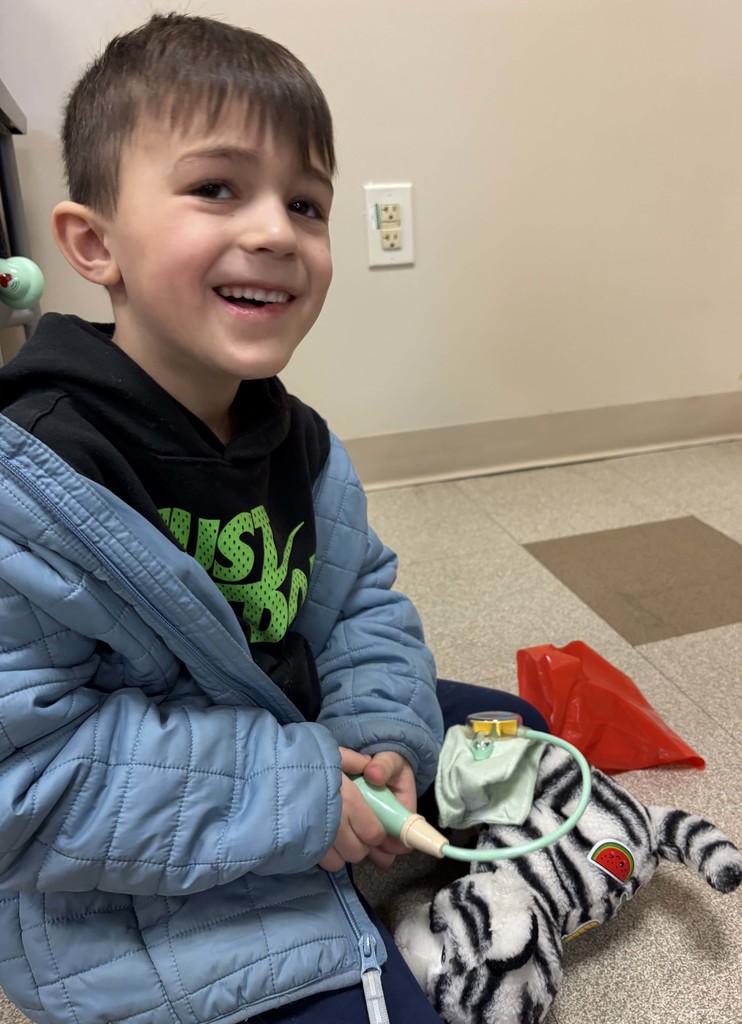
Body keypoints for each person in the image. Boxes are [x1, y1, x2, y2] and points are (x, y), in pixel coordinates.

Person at [0, 13, 547, 1024]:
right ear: (92, 244)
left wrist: (380, 736)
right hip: (130, 897)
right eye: (216, 188)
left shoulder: (301, 443)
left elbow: (357, 606)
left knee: (516, 735)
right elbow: (22, 780)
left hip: (282, 752)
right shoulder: (29, 486)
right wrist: (294, 799)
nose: (274, 232)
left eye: (306, 203)